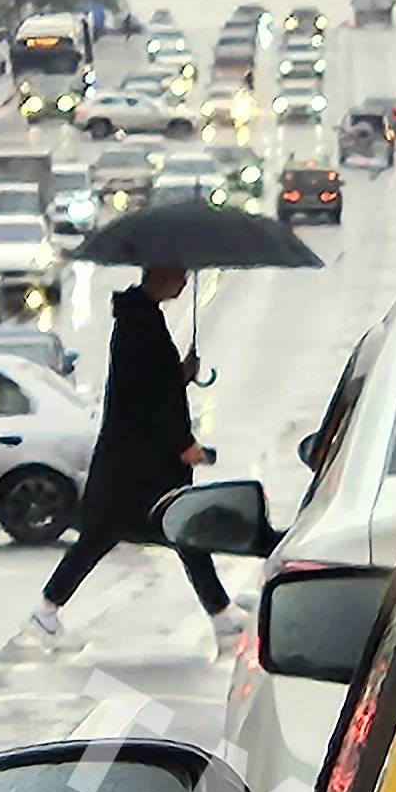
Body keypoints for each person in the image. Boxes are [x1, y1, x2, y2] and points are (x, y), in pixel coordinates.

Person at [24, 265, 245, 649]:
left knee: (123, 534)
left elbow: (150, 384)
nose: (185, 280)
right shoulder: (140, 325)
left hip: (133, 460)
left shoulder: (140, 319)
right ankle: (221, 614)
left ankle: (221, 613)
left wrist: (180, 375)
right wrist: (183, 443)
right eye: (180, 273)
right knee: (181, 528)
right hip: (142, 462)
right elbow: (150, 398)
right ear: (160, 274)